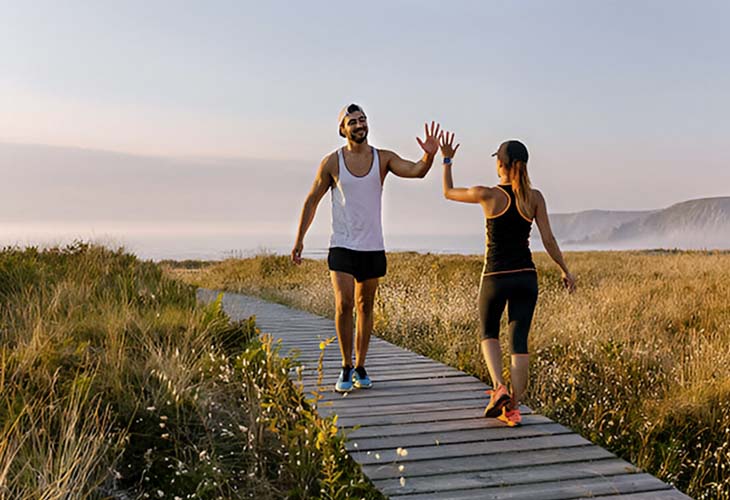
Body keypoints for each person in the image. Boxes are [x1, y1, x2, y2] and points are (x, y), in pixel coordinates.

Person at [292, 103, 441, 392]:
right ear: (342, 129)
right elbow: (312, 200)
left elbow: (416, 171)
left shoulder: (382, 159)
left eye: (362, 120)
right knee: (344, 304)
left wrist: (429, 155)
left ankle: (360, 365)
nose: (359, 125)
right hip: (342, 245)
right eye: (353, 122)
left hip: (372, 247)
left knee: (365, 306)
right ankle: (346, 366)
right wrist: (299, 239)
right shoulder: (331, 163)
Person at [439, 132, 576, 426]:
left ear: (501, 164)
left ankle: (498, 388)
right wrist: (565, 270)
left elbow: (448, 192)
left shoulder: (488, 194)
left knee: (488, 333)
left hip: (495, 277)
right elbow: (549, 239)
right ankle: (513, 407)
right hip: (526, 277)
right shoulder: (535, 197)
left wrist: (447, 160)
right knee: (519, 342)